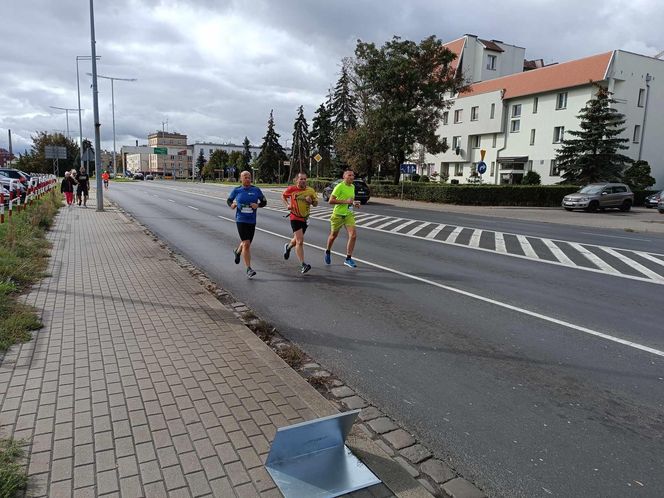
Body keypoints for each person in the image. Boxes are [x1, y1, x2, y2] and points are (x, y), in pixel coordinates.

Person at [227, 170, 267, 278]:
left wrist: (257, 205)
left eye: (249, 177)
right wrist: (232, 205)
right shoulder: (237, 190)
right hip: (241, 220)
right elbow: (229, 200)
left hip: (252, 220)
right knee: (246, 244)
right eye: (245, 177)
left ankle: (237, 251)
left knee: (247, 243)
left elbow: (264, 202)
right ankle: (249, 269)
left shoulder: (256, 190)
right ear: (241, 179)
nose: (248, 179)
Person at [282, 173, 318, 274]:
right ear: (296, 180)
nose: (303, 181)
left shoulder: (310, 190)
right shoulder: (291, 189)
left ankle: (288, 247)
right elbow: (283, 196)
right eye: (301, 179)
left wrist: (311, 201)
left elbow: (316, 204)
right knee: (300, 241)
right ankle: (303, 264)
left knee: (297, 240)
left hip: (305, 218)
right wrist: (287, 205)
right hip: (295, 217)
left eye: (305, 179)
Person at [325, 169, 360, 268]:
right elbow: (331, 201)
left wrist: (353, 203)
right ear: (344, 177)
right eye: (349, 175)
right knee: (333, 236)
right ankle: (328, 251)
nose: (352, 177)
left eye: (353, 175)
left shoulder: (352, 187)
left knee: (353, 236)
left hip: (348, 215)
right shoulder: (339, 186)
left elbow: (350, 200)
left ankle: (348, 259)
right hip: (338, 215)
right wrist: (346, 201)